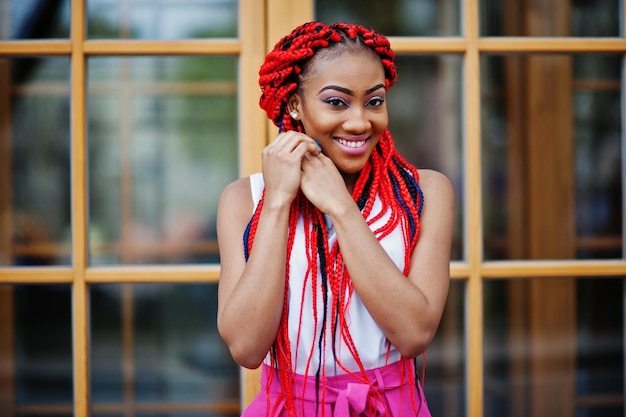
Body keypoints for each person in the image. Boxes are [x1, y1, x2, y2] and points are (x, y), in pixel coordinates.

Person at [217, 21, 454, 417]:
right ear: (295, 105)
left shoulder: (424, 193)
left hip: (389, 407)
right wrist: (278, 200)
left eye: (374, 101)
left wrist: (341, 208)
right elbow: (246, 347)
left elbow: (414, 334)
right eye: (337, 102)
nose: (360, 122)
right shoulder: (245, 199)